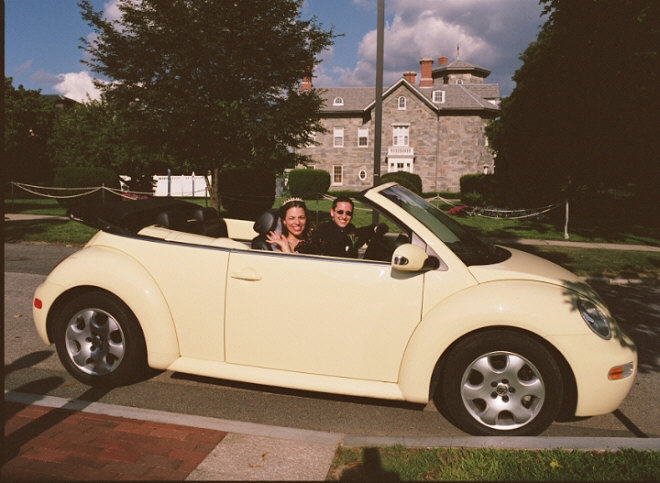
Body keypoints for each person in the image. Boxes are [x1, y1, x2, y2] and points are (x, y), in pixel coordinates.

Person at [312, 196, 387, 258]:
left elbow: (361, 232)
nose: (344, 216)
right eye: (340, 212)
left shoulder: (350, 228)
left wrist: (376, 228)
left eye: (348, 213)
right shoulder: (322, 231)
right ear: (332, 212)